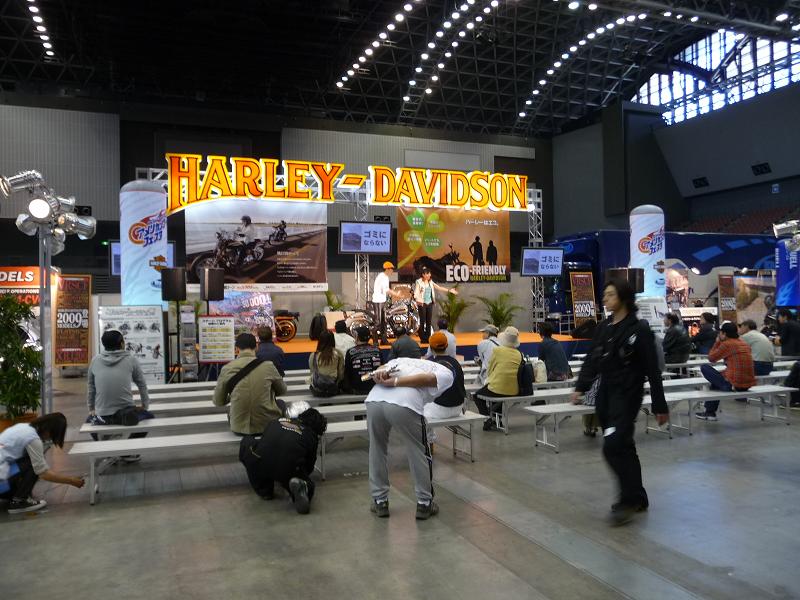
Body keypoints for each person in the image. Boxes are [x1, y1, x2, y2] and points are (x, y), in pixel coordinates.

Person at [571, 280, 669, 526]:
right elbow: (592, 360)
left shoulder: (639, 329)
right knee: (624, 446)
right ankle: (639, 497)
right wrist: (581, 386)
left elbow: (652, 370)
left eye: (610, 294)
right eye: (604, 294)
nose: (605, 298)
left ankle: (627, 501)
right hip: (606, 394)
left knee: (612, 446)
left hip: (627, 395)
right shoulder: (604, 327)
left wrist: (660, 405)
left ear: (624, 298)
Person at [365, 357, 454, 520]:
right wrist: (395, 382)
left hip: (374, 400)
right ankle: (424, 503)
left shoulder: (404, 360)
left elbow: (382, 368)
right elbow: (428, 379)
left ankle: (380, 501)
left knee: (376, 448)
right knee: (418, 450)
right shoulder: (447, 372)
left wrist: (381, 375)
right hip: (404, 403)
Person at [239, 401, 327, 514]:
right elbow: (309, 466)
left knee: (248, 442)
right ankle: (302, 487)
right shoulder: (311, 435)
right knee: (300, 477)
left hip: (259, 460)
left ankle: (265, 490)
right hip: (286, 468)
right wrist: (300, 474)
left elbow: (265, 440)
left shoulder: (276, 421)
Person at [86, 330, 153, 458]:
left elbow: (91, 387)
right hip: (127, 416)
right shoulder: (131, 360)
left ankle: (106, 450)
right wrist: (145, 406)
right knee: (149, 417)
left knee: (88, 422)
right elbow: (142, 384)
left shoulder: (95, 361)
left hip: (102, 417)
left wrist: (91, 409)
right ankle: (127, 452)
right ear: (121, 343)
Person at [0, 413, 85, 513]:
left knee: (29, 461)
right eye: (53, 436)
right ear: (49, 431)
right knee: (33, 463)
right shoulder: (32, 439)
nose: (50, 440)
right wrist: (71, 481)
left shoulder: (23, 427)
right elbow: (43, 473)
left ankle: (14, 495)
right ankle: (19, 501)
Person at [213, 333, 286, 435]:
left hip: (238, 428)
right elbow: (282, 390)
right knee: (281, 403)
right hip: (267, 426)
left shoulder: (227, 368)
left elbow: (218, 401)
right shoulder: (268, 366)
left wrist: (233, 395)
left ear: (236, 349)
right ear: (256, 347)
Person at [696, 322, 756, 421]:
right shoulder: (743, 343)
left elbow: (711, 358)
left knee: (705, 368)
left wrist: (717, 342)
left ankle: (710, 412)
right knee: (716, 382)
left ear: (723, 333)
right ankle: (709, 413)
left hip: (734, 385)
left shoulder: (727, 344)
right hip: (748, 384)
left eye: (720, 333)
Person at [473, 326, 524, 431]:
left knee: (477, 396)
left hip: (498, 387)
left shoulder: (497, 351)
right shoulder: (518, 354)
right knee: (499, 393)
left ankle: (487, 418)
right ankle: (498, 420)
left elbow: (490, 370)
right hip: (514, 390)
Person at [423, 332, 466, 437]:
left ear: (430, 347)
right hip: (458, 408)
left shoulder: (427, 363)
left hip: (438, 410)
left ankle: (429, 440)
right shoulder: (455, 363)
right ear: (446, 346)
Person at [413, 268, 458, 343]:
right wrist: (417, 298)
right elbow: (416, 292)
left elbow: (438, 287)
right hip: (422, 303)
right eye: (427, 274)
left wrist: (449, 290)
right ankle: (423, 338)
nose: (429, 275)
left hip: (429, 303)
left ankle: (428, 337)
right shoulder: (419, 282)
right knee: (422, 321)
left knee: (428, 321)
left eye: (429, 274)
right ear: (423, 275)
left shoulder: (430, 282)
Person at [343, 326, 384, 394]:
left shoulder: (350, 352)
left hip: (357, 389)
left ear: (357, 337)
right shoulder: (378, 350)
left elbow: (347, 372)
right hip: (375, 388)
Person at [372, 261, 403, 344]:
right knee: (378, 322)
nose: (392, 271)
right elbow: (386, 290)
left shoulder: (385, 277)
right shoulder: (382, 277)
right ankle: (375, 341)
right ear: (387, 269)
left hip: (382, 301)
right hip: (378, 301)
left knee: (384, 322)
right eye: (392, 269)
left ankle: (384, 340)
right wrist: (396, 294)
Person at [308, 330, 344, 396]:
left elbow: (312, 372)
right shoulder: (338, 353)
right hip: (332, 386)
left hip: (318, 387)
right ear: (333, 340)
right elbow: (341, 373)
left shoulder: (313, 355)